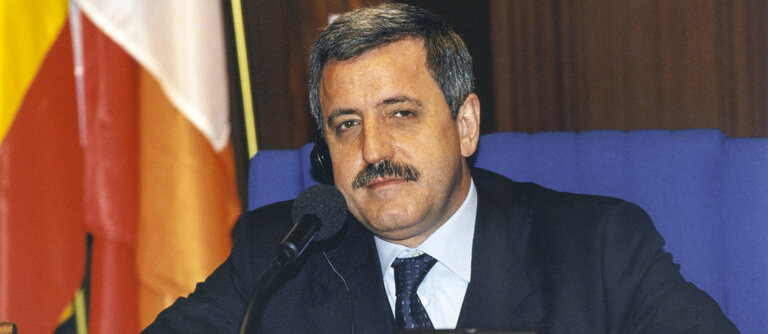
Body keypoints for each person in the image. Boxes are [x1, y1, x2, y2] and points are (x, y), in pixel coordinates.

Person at [143, 3, 739, 333]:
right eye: (346, 124)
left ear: (465, 125)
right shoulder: (278, 254)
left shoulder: (598, 247)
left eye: (400, 113)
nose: (373, 150)